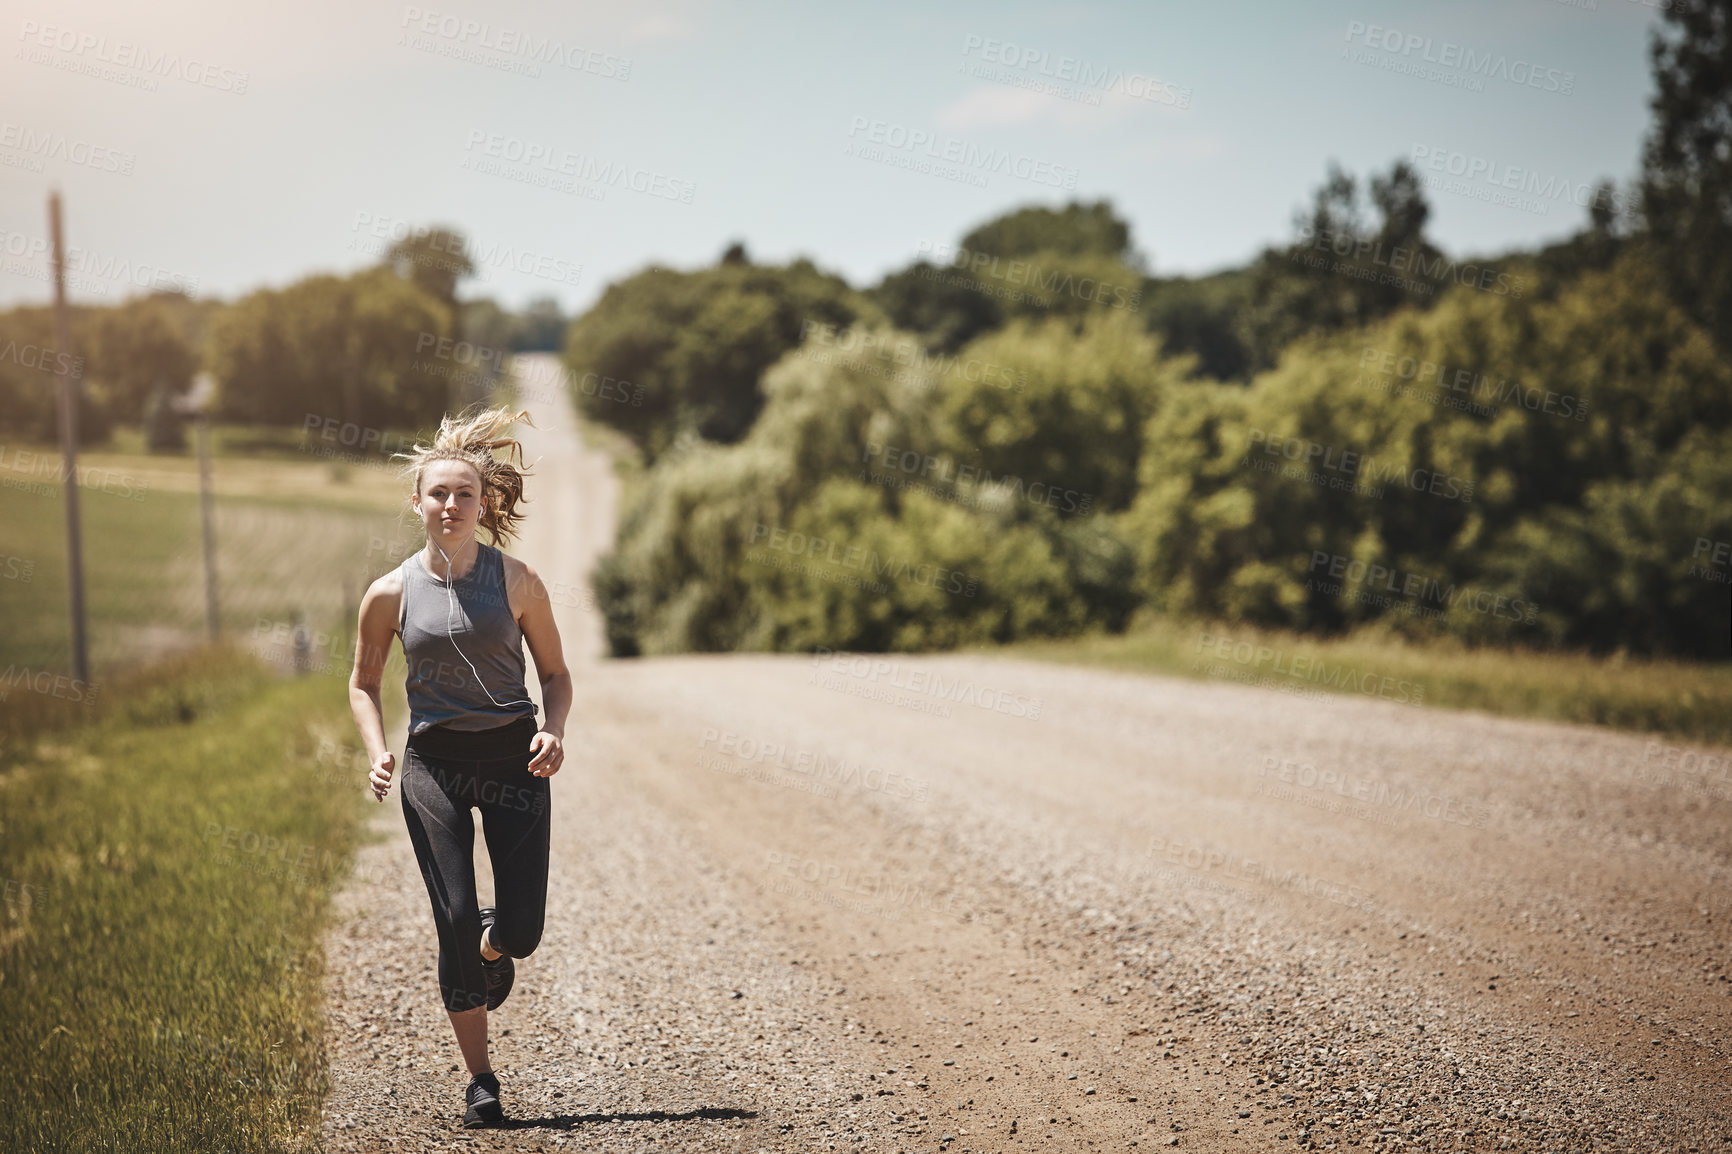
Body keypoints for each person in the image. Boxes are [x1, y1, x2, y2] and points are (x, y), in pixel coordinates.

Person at [348, 404, 571, 1129]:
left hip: (514, 762)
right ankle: (482, 1082)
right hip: (434, 765)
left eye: (464, 494)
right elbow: (361, 682)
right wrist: (378, 750)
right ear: (417, 503)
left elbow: (557, 676)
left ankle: (493, 937)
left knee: (524, 932)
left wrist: (555, 731)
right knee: (449, 920)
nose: (450, 504)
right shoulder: (388, 594)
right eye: (437, 494)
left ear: (484, 503)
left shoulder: (519, 582)